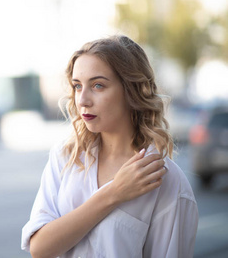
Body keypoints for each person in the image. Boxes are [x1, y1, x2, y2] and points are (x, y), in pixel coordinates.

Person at [21, 35, 198, 258]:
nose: (82, 99)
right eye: (77, 86)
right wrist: (114, 193)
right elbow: (39, 249)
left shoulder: (166, 182)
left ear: (132, 90)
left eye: (98, 85)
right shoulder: (65, 157)